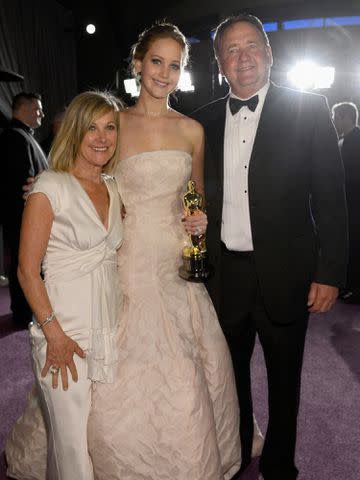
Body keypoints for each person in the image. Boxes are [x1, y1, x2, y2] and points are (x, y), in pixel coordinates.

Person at [192, 13, 348, 480]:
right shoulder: (199, 123)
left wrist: (330, 273)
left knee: (285, 381)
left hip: (288, 273)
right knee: (228, 379)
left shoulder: (310, 108)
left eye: (250, 47)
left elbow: (332, 200)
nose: (242, 59)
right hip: (224, 276)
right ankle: (237, 454)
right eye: (231, 51)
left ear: (269, 52)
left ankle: (280, 463)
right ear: (220, 63)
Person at [6, 90, 123, 480]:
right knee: (72, 449)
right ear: (74, 130)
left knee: (93, 442)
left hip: (108, 331)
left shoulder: (113, 186)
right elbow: (25, 270)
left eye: (110, 128)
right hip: (64, 335)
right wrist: (53, 333)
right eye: (92, 127)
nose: (102, 137)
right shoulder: (49, 187)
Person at [0, 92, 47, 328]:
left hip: (26, 218)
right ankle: (23, 314)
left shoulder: (21, 136)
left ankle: (26, 311)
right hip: (22, 218)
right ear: (25, 108)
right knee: (25, 265)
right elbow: (24, 185)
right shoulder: (15, 138)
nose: (42, 113)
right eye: (38, 109)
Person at [332, 101, 360, 302]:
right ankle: (348, 285)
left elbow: (353, 175)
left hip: (355, 203)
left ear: (345, 118)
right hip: (347, 204)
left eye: (335, 117)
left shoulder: (355, 140)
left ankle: (355, 289)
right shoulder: (344, 140)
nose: (333, 121)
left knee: (355, 245)